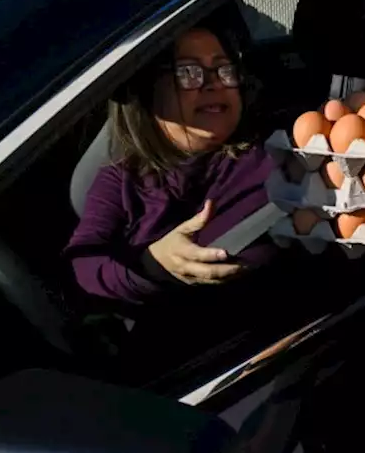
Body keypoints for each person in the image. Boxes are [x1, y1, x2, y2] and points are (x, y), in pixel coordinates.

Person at [66, 21, 278, 304]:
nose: (214, 83)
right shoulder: (121, 178)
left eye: (224, 69)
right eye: (189, 72)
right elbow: (84, 264)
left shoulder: (274, 149)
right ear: (148, 90)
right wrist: (153, 264)